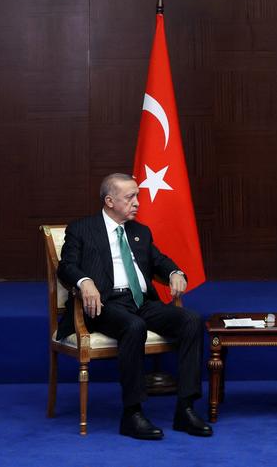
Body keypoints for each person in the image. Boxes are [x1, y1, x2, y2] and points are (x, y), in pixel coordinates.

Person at [57, 173, 212, 440]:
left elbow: (159, 261)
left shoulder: (140, 231)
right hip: (104, 304)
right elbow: (66, 267)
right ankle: (132, 413)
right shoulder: (82, 229)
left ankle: (185, 409)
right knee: (134, 326)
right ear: (109, 201)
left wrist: (175, 272)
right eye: (130, 197)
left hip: (141, 302)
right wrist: (85, 282)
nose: (137, 202)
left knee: (191, 320)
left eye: (137, 195)